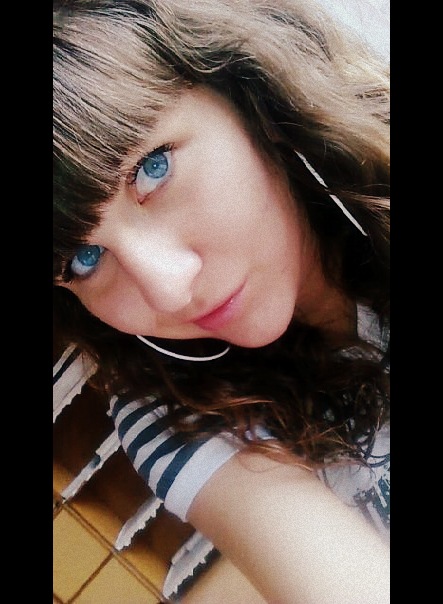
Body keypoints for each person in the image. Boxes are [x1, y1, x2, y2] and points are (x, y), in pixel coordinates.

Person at [53, 0, 390, 602]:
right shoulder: (171, 408)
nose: (168, 289)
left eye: (153, 169)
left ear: (246, 93)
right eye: (84, 259)